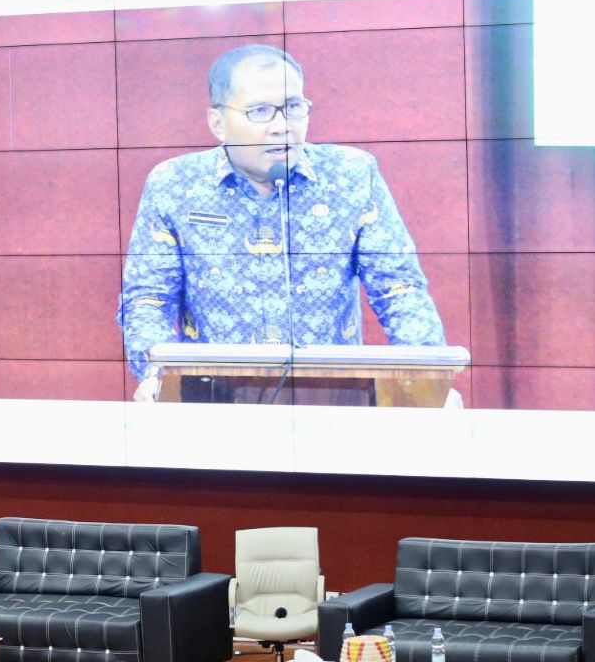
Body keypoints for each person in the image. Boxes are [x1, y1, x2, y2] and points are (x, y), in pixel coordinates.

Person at [118, 44, 445, 402]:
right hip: (213, 402)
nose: (281, 127)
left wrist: (428, 380)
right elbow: (148, 299)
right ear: (218, 123)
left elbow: (399, 289)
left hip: (332, 399)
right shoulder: (174, 185)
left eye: (293, 107)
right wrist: (155, 376)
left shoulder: (352, 175)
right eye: (259, 111)